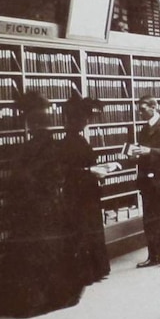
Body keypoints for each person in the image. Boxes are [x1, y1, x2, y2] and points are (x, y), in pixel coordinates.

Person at [1, 91, 84, 317]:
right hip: (44, 204)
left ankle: (38, 300)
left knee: (39, 251)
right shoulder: (46, 144)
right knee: (47, 251)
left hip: (37, 206)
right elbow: (52, 175)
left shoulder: (36, 146)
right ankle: (49, 297)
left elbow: (34, 176)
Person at [61, 92, 120, 284]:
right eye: (83, 119)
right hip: (79, 192)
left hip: (86, 191)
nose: (86, 122)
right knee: (84, 229)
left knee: (90, 227)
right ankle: (89, 271)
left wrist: (96, 169)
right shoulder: (68, 141)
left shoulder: (77, 139)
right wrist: (91, 171)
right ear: (74, 120)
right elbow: (68, 170)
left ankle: (95, 270)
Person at [128, 95, 160, 269]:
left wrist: (150, 151)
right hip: (146, 181)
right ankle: (153, 255)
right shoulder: (143, 130)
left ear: (154, 107)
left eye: (142, 109)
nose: (140, 113)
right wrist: (135, 155)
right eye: (139, 110)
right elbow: (144, 154)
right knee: (149, 220)